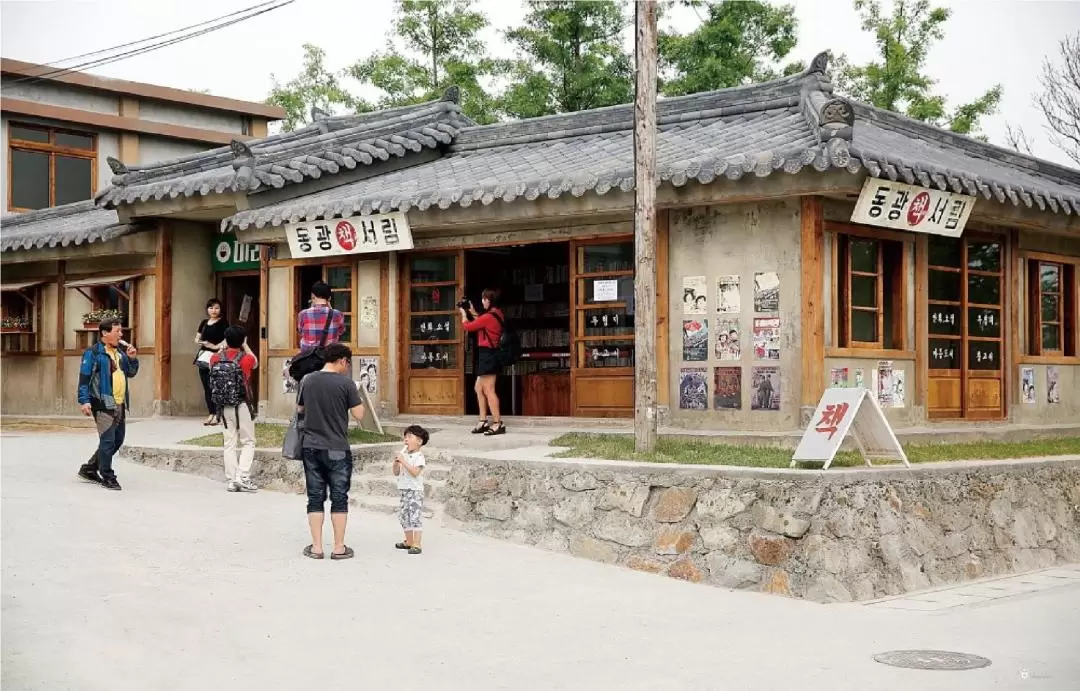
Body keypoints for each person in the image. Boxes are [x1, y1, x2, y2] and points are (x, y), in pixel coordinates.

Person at [297, 343, 365, 560]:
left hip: (311, 446)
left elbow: (300, 409)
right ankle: (338, 547)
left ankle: (316, 547)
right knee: (339, 497)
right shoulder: (346, 384)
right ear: (343, 360)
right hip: (337, 447)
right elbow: (359, 415)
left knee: (315, 497)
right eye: (348, 363)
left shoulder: (308, 380)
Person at [76, 319, 139, 491]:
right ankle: (107, 476)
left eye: (121, 331)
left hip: (119, 402)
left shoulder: (119, 353)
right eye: (117, 331)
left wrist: (132, 359)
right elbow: (84, 377)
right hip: (102, 401)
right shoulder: (93, 353)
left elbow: (131, 373)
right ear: (105, 333)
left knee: (117, 440)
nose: (121, 334)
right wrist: (84, 400)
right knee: (108, 440)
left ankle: (89, 469)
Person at [210, 325, 259, 493]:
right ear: (242, 340)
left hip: (223, 405)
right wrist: (245, 345)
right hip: (242, 403)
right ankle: (242, 476)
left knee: (229, 442)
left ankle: (231, 480)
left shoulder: (215, 358)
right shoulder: (246, 359)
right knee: (248, 440)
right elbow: (255, 362)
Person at [460, 289, 506, 436]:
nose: (483, 301)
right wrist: (472, 311)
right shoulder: (496, 314)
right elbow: (481, 321)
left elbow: (469, 326)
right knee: (478, 388)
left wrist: (463, 314)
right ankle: (483, 420)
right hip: (488, 354)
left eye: (484, 299)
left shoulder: (490, 316)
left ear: (490, 300)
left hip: (488, 355)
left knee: (488, 389)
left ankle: (497, 423)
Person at [393, 425, 429, 555]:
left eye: (410, 437)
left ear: (419, 441)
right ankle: (409, 541)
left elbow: (415, 472)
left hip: (415, 491)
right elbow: (396, 473)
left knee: (415, 517)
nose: (406, 440)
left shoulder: (419, 456)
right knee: (404, 516)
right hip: (404, 490)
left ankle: (417, 544)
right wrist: (396, 462)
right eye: (405, 437)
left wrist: (404, 461)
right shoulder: (405, 455)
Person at [195, 299, 229, 426]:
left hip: (216, 356)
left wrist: (213, 346)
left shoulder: (223, 323)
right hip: (204, 356)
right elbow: (197, 338)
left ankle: (218, 414)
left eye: (216, 308)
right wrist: (202, 342)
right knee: (206, 386)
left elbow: (226, 341)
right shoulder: (204, 322)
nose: (213, 311)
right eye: (211, 308)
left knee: (215, 386)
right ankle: (211, 413)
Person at [297, 281, 345, 354]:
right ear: (329, 298)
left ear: (313, 296)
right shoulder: (337, 314)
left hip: (308, 359)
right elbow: (341, 331)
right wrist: (330, 309)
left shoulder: (303, 314)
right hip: (329, 358)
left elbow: (301, 331)